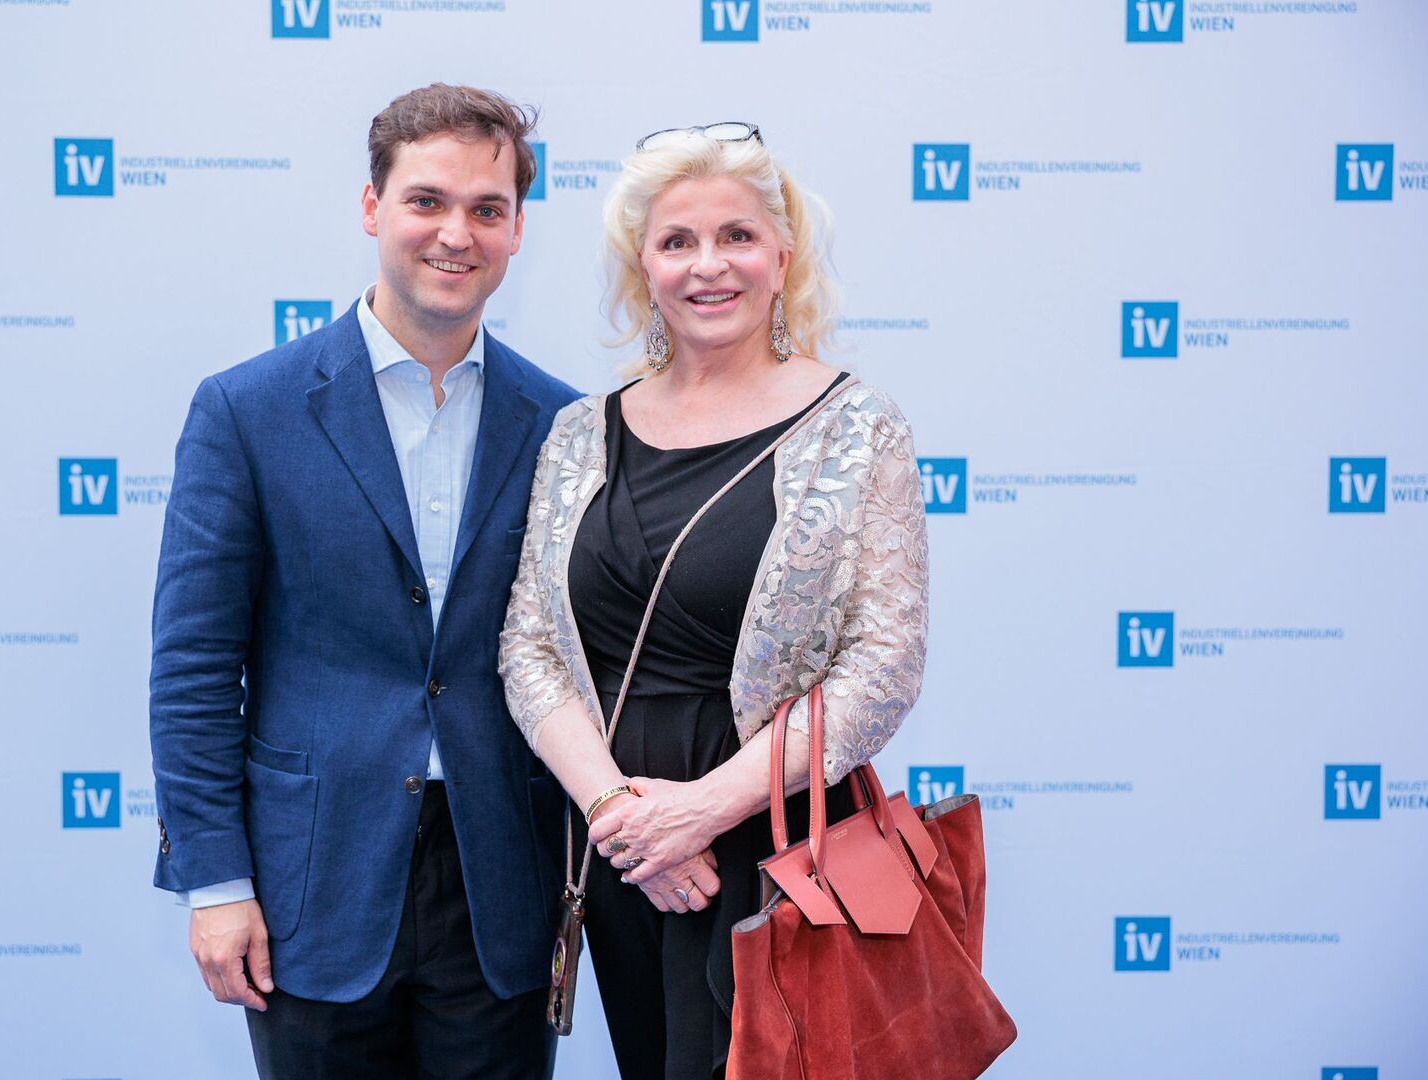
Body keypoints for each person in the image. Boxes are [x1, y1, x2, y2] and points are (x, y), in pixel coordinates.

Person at [148, 83, 577, 1079]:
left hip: (501, 886)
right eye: (427, 200)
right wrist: (216, 881)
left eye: (487, 208)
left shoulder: (565, 424)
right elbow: (195, 669)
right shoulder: (247, 411)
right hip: (310, 886)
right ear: (373, 206)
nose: (456, 234)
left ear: (518, 229)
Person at [497, 123, 929, 1079]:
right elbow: (527, 648)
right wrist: (622, 816)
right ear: (643, 267)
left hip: (778, 841)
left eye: (737, 236)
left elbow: (885, 664)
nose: (708, 265)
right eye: (677, 241)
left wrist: (700, 812)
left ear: (783, 255)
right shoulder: (579, 433)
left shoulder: (857, 426)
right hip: (622, 852)